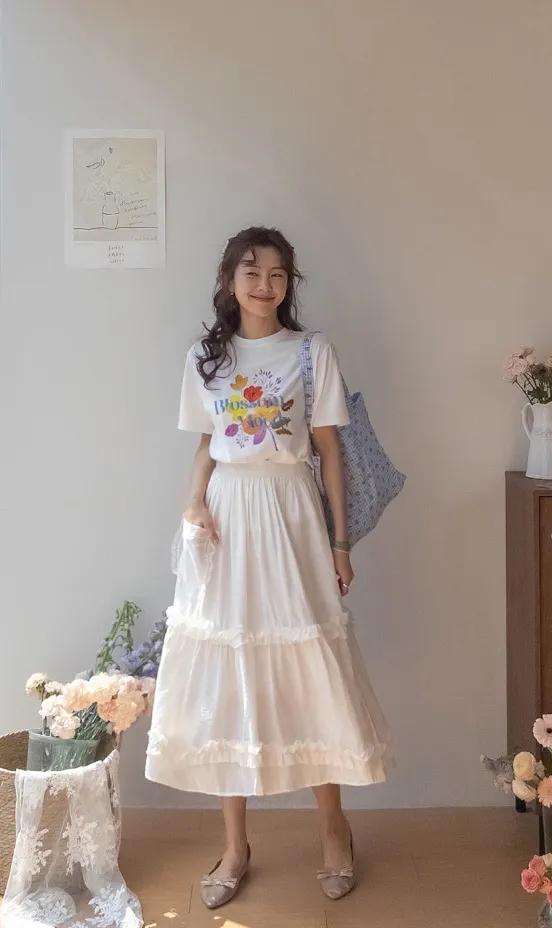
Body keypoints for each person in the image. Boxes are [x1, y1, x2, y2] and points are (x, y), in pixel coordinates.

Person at [146, 227, 389, 908]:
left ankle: (334, 830)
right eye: (252, 271)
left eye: (278, 274)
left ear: (289, 284)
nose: (265, 285)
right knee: (230, 673)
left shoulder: (311, 352)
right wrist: (194, 503)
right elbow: (207, 444)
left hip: (290, 514)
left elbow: (330, 451)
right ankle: (235, 845)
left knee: (310, 668)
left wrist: (341, 543)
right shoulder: (205, 357)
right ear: (229, 280)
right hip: (227, 517)